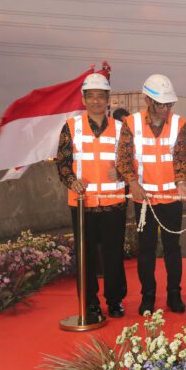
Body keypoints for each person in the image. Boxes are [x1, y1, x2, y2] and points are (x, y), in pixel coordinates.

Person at [55, 73, 128, 319]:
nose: (96, 100)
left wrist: (121, 172)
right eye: (91, 96)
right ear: (84, 99)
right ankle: (89, 302)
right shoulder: (71, 127)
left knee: (113, 255)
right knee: (85, 257)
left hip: (113, 203)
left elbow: (132, 162)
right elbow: (62, 163)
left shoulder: (121, 129)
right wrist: (71, 181)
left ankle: (115, 301)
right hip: (82, 203)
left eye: (100, 96)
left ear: (108, 99)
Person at [117, 74, 186, 316]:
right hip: (144, 199)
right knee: (146, 250)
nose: (166, 109)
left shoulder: (179, 124)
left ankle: (174, 295)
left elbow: (180, 159)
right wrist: (132, 183)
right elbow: (123, 159)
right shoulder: (131, 123)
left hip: (171, 198)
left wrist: (182, 183)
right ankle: (148, 296)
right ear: (148, 100)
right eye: (161, 105)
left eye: (169, 104)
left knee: (172, 249)